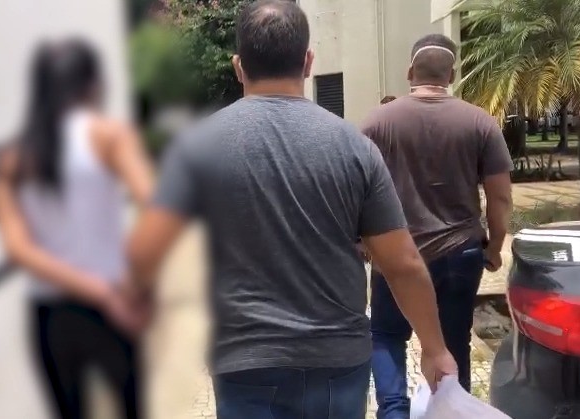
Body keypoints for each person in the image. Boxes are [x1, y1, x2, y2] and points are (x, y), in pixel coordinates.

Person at [126, 2, 457, 418]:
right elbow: (403, 264)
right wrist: (435, 348)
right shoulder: (355, 148)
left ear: (238, 66)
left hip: (245, 363)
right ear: (308, 62)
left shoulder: (196, 149)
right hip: (337, 363)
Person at [0, 39, 153, 419]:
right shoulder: (109, 136)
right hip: (113, 305)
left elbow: (19, 250)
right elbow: (155, 207)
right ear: (93, 85)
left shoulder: (13, 157)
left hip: (50, 316)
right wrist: (134, 285)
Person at [361, 34, 513, 419]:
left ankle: (393, 412)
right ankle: (450, 411)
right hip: (460, 253)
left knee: (386, 336)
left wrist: (360, 242)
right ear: (452, 74)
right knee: (453, 341)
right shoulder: (480, 122)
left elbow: (354, 188)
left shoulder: (377, 122)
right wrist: (495, 247)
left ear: (410, 72)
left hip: (395, 255)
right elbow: (500, 198)